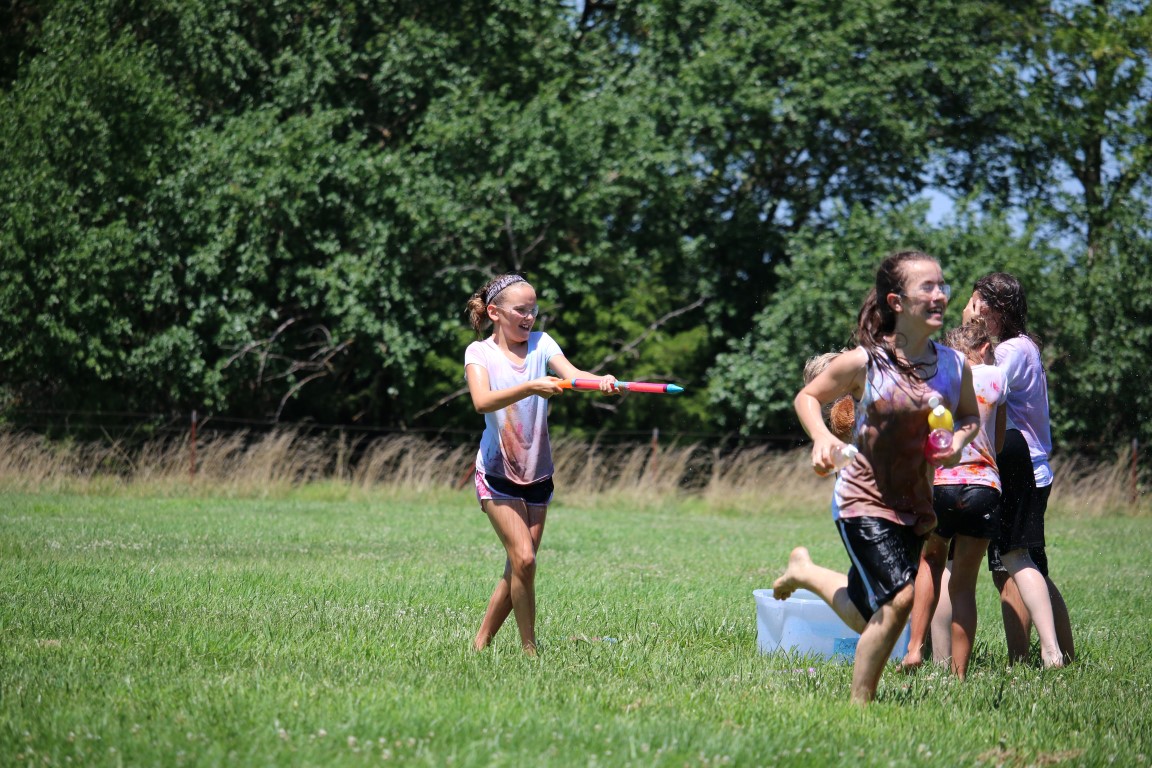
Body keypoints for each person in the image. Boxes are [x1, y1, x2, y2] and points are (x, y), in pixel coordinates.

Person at [773, 250, 980, 704]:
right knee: (901, 599)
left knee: (872, 614)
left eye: (942, 286)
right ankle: (860, 706)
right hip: (861, 498)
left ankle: (805, 572)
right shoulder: (865, 362)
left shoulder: (953, 366)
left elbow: (969, 417)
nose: (940, 295)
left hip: (915, 505)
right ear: (896, 302)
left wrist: (957, 443)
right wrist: (821, 438)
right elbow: (808, 397)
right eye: (926, 287)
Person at [464, 273, 617, 654]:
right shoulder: (479, 353)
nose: (529, 317)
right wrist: (532, 386)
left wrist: (600, 380)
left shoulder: (542, 343)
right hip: (497, 471)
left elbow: (574, 376)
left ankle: (480, 644)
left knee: (521, 565)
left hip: (538, 471)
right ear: (495, 312)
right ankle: (530, 650)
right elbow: (482, 401)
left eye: (533, 309)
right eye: (521, 310)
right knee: (525, 558)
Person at [962, 272, 1072, 668]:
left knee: (1009, 565)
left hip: (1018, 466)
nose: (971, 309)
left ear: (996, 309)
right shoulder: (1023, 346)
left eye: (977, 303)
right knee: (1028, 565)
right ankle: (1062, 652)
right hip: (1030, 466)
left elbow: (977, 388)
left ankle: (1021, 660)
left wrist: (965, 329)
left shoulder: (1009, 351)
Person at [900, 321, 1007, 678]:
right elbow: (999, 440)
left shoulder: (938, 378)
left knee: (930, 564)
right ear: (983, 349)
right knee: (963, 584)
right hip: (984, 487)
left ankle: (916, 648)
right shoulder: (996, 377)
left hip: (942, 485)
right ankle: (959, 674)